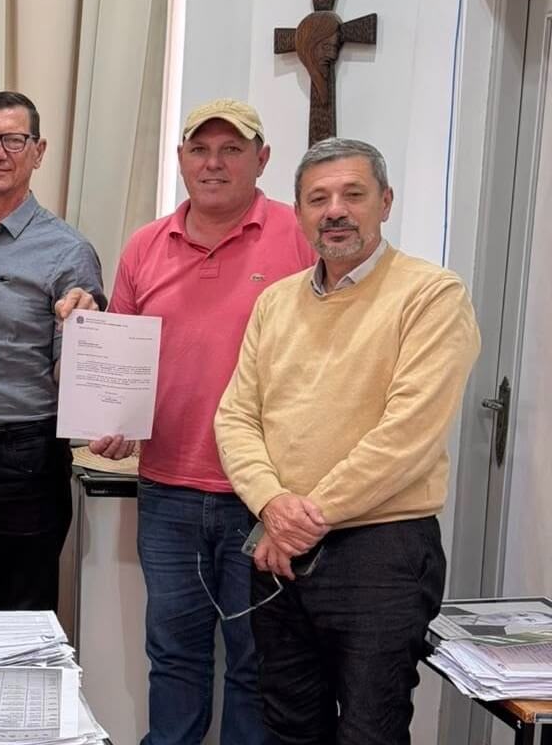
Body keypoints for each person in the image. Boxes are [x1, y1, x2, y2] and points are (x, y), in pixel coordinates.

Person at [58, 99, 314, 744]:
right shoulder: (146, 244)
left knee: (257, 667)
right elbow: (121, 362)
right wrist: (113, 421)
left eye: (231, 150)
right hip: (167, 491)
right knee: (174, 659)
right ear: (180, 160)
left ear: (262, 159)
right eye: (200, 149)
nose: (213, 164)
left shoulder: (298, 236)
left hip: (263, 497)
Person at [216, 137, 480, 745]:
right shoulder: (275, 302)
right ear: (299, 212)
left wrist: (303, 518)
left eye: (352, 194)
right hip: (277, 546)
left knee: (369, 730)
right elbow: (235, 417)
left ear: (385, 202)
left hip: (378, 552)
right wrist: (272, 505)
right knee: (287, 726)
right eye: (318, 199)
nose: (335, 210)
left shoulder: (431, 295)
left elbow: (408, 434)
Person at [0, 91, 106, 611]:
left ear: (39, 151)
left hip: (26, 459)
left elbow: (75, 377)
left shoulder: (67, 251)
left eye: (13, 140)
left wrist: (88, 342)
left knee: (20, 620)